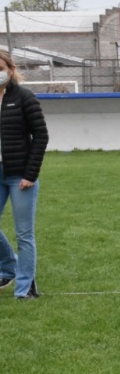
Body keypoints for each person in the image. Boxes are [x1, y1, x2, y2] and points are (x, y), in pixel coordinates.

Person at [0, 50, 48, 300]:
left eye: (0, 67)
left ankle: (26, 288)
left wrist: (30, 174)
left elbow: (41, 136)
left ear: (10, 68)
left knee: (24, 233)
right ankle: (9, 267)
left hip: (20, 176)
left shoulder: (24, 98)